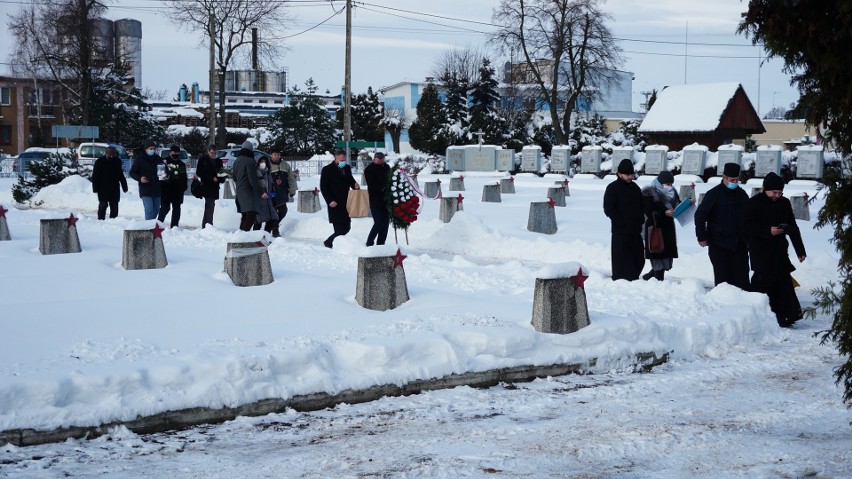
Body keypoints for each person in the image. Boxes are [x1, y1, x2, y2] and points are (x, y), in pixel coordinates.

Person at [742, 172, 807, 327]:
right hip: (761, 250)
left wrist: (800, 250)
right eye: (774, 192)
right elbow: (746, 226)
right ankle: (762, 315)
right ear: (765, 189)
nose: (777, 195)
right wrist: (767, 230)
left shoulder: (784, 203)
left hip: (779, 249)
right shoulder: (754, 203)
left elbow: (793, 226)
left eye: (780, 192)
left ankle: (786, 315)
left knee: (783, 281)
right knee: (764, 281)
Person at [694, 162, 750, 289]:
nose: (734, 182)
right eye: (732, 180)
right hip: (719, 243)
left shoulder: (741, 194)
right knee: (723, 281)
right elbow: (700, 215)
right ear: (724, 178)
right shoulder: (713, 194)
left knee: (742, 279)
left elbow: (748, 215)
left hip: (739, 244)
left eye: (737, 180)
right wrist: (701, 236)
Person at [603, 159, 645, 280]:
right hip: (621, 231)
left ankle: (633, 279)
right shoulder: (612, 188)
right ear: (619, 174)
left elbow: (641, 205)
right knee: (622, 261)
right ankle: (622, 283)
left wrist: (640, 219)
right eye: (627, 174)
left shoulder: (635, 187)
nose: (630, 177)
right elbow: (609, 209)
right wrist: (621, 222)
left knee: (639, 259)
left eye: (632, 174)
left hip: (636, 230)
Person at [640, 170, 680, 281]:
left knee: (665, 257)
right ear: (660, 183)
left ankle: (650, 276)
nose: (670, 187)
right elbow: (648, 211)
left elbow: (678, 204)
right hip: (655, 229)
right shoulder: (649, 193)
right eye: (667, 184)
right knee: (658, 255)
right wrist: (664, 213)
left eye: (671, 184)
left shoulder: (673, 192)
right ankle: (658, 282)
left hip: (668, 229)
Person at [319, 148, 360, 248]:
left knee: (347, 227)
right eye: (341, 160)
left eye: (344, 160)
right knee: (339, 229)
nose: (343, 162)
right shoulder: (327, 169)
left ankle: (330, 242)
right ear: (335, 158)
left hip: (346, 202)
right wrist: (329, 200)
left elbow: (350, 180)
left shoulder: (347, 168)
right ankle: (329, 243)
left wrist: (355, 186)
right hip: (334, 202)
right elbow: (324, 187)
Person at [91, 146, 128, 220]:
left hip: (114, 188)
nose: (111, 156)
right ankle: (101, 219)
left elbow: (120, 175)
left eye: (112, 155)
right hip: (103, 188)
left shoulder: (117, 161)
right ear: (106, 154)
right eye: (109, 155)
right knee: (103, 205)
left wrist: (124, 186)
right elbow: (95, 176)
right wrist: (95, 188)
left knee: (114, 205)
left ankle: (113, 220)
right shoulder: (100, 162)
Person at [129, 140, 163, 220]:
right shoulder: (140, 159)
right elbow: (132, 172)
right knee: (149, 209)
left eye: (154, 148)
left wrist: (165, 174)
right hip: (145, 188)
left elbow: (163, 170)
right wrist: (140, 178)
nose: (152, 150)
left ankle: (150, 224)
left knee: (156, 209)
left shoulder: (158, 158)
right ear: (146, 149)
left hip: (156, 188)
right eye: (150, 148)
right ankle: (148, 228)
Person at [232, 140, 261, 231]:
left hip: (239, 191)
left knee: (245, 215)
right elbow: (252, 179)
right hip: (248, 192)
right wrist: (259, 191)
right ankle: (244, 235)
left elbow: (234, 178)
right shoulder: (250, 161)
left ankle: (240, 235)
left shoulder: (236, 161)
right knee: (251, 215)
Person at [363, 152, 391, 246]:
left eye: (381, 160)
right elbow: (372, 185)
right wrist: (385, 187)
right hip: (375, 200)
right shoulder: (369, 170)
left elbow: (390, 178)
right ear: (374, 159)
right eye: (378, 160)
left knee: (385, 223)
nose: (380, 162)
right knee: (379, 222)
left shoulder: (386, 167)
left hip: (386, 200)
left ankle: (381, 244)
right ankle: (369, 242)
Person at [157, 145, 188, 228]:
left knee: (177, 209)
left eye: (177, 153)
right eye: (174, 152)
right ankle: (158, 225)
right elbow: (161, 176)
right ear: (170, 152)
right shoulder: (164, 162)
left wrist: (184, 187)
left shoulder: (181, 164)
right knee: (165, 208)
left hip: (178, 191)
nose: (176, 154)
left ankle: (174, 226)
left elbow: (184, 177)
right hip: (166, 190)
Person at [269, 151, 297, 237]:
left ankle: (273, 227)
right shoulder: (266, 165)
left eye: (278, 154)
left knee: (283, 211)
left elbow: (291, 178)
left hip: (282, 192)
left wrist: (292, 190)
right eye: (275, 154)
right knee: (272, 212)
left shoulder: (285, 165)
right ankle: (274, 230)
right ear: (271, 155)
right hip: (270, 193)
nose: (277, 156)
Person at [195, 144, 221, 228]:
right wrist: (211, 177)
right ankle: (209, 224)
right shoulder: (203, 160)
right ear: (208, 151)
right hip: (207, 186)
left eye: (215, 152)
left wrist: (221, 177)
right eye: (212, 152)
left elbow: (221, 172)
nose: (213, 154)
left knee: (209, 205)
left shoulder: (218, 161)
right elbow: (199, 172)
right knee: (210, 204)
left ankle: (206, 225)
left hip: (215, 186)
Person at [253, 155, 279, 234]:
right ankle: (255, 236)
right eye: (261, 162)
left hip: (268, 201)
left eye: (264, 162)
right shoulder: (255, 173)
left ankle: (267, 234)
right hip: (259, 201)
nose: (263, 163)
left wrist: (273, 196)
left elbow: (271, 187)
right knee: (258, 221)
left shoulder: (268, 173)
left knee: (273, 217)